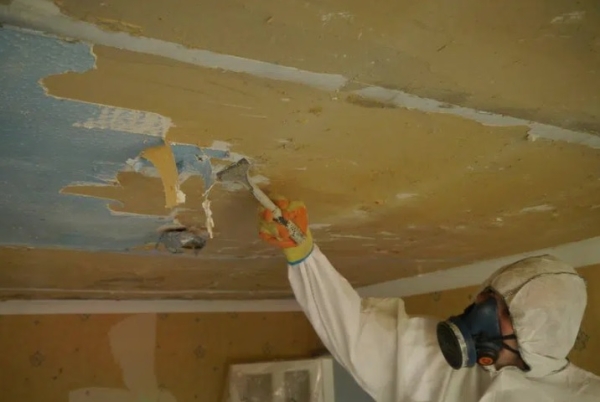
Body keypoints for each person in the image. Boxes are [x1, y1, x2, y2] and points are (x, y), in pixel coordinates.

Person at [258, 196, 600, 401]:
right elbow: (352, 329)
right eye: (488, 295)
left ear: (540, 337)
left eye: (505, 310)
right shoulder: (433, 358)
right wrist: (304, 254)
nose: (480, 309)